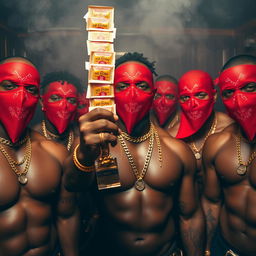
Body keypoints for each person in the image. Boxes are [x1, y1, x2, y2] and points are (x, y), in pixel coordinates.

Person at [64, 52, 204, 256]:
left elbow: (190, 216)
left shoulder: (177, 150)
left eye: (141, 85)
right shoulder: (94, 143)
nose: (132, 93)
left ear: (153, 93)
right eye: (123, 86)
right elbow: (72, 186)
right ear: (111, 91)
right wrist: (85, 155)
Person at [0, 56, 80, 256]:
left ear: (38, 98)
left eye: (31, 90)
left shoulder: (53, 151)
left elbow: (67, 215)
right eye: (9, 86)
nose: (21, 97)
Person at [202, 54, 256, 256]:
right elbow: (211, 202)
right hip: (225, 249)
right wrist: (206, 248)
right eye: (229, 92)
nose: (239, 100)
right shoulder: (217, 143)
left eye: (249, 88)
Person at [170, 70, 234, 192]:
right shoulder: (171, 137)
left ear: (214, 96)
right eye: (185, 97)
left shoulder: (230, 128)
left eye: (200, 95)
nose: (192, 103)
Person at [33, 71, 81, 152]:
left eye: (71, 100)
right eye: (55, 98)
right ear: (42, 102)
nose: (64, 105)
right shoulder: (32, 138)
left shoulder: (81, 136)